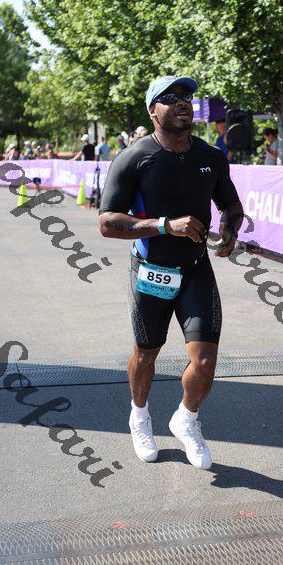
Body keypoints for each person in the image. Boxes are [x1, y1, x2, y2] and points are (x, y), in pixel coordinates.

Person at [99, 75, 243, 470]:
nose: (183, 102)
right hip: (151, 270)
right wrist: (165, 225)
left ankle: (186, 419)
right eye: (171, 97)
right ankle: (139, 416)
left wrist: (230, 230)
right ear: (153, 110)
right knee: (147, 354)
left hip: (196, 268)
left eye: (187, 97)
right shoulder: (133, 158)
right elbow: (107, 223)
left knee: (205, 360)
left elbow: (231, 206)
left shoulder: (211, 156)